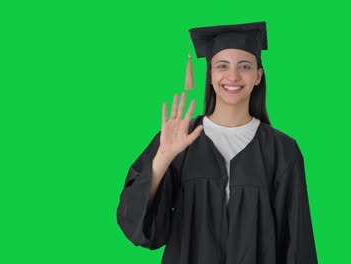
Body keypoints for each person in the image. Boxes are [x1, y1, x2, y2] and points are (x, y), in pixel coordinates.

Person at [116, 21, 318, 264]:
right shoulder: (178, 138)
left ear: (258, 76)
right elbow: (138, 227)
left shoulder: (282, 151)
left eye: (244, 66)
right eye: (222, 66)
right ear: (210, 74)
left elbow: (297, 241)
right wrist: (163, 158)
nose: (233, 76)